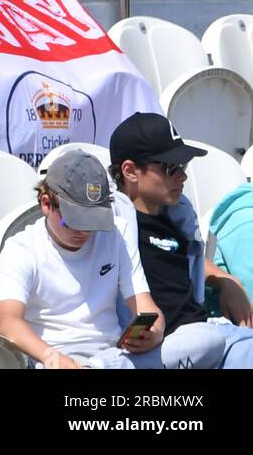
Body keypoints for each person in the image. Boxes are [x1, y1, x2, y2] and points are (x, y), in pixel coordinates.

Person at [0, 151, 224, 369]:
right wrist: (52, 357)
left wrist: (154, 331)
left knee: (209, 339)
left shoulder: (117, 233)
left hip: (117, 355)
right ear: (46, 204)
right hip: (58, 358)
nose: (84, 231)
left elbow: (145, 307)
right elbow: (9, 323)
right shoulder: (21, 248)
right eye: (74, 221)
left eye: (93, 221)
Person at [108, 111, 253, 367]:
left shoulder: (175, 216)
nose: (182, 176)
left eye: (182, 166)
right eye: (170, 167)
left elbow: (190, 259)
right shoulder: (109, 230)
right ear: (130, 170)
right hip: (160, 351)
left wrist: (225, 280)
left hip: (206, 340)